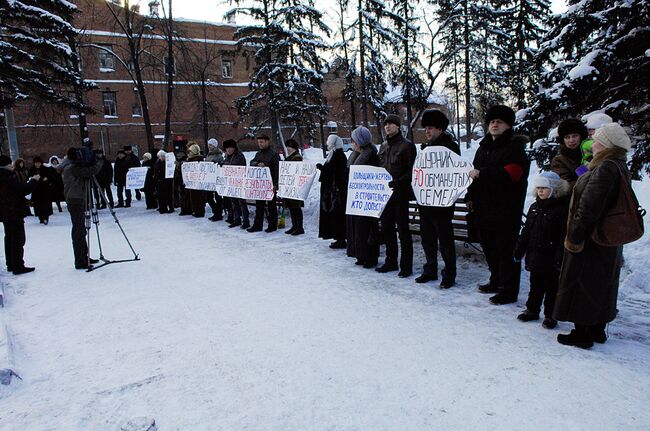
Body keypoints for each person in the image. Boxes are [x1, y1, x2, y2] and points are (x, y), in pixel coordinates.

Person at [554, 123, 633, 349]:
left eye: (597, 139)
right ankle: (597, 328)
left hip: (591, 236)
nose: (592, 142)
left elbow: (589, 207)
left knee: (584, 282)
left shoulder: (605, 167)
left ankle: (583, 333)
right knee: (601, 283)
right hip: (606, 236)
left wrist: (575, 235)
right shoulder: (615, 164)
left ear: (606, 144)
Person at [466, 105, 531, 305]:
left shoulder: (514, 148)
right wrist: (470, 195)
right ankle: (496, 280)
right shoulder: (483, 148)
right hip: (484, 208)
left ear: (508, 125)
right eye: (492, 121)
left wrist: (483, 174)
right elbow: (475, 175)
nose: (494, 124)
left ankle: (509, 290)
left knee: (506, 251)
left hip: (505, 210)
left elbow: (512, 174)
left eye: (499, 122)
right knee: (490, 248)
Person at [514, 171, 570, 329]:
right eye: (538, 188)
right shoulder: (534, 207)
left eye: (544, 188)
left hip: (551, 257)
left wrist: (560, 257)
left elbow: (562, 236)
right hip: (535, 255)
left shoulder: (561, 209)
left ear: (554, 189)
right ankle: (532, 309)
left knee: (552, 288)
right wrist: (519, 250)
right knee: (535, 285)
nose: (540, 191)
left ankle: (551, 315)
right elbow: (526, 233)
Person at [415, 109, 460, 288]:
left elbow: (454, 174)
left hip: (442, 204)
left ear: (440, 129)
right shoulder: (427, 148)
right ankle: (430, 269)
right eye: (426, 127)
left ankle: (449, 274)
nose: (427, 131)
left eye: (431, 128)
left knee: (445, 241)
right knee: (428, 239)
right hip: (426, 203)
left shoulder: (450, 147)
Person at [377, 114, 416, 277]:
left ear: (398, 126)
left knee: (403, 231)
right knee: (387, 229)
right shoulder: (384, 145)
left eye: (391, 124)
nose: (388, 127)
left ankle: (406, 266)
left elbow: (413, 171)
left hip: (400, 195)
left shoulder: (407, 146)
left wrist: (398, 182)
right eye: (386, 124)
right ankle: (391, 261)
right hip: (385, 195)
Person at [58, 147, 103, 270]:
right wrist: (99, 161)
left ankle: (84, 256)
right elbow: (92, 170)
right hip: (75, 199)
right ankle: (80, 260)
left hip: (76, 198)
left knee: (80, 229)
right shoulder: (72, 168)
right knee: (79, 230)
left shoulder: (69, 166)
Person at [0, 155, 40, 275]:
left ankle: (11, 264)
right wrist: (34, 181)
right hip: (14, 211)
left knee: (9, 237)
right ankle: (18, 265)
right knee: (18, 238)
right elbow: (22, 190)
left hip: (4, 211)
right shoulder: (8, 176)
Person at [348, 126, 380, 268]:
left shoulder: (370, 155)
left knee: (367, 229)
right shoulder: (358, 155)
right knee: (358, 229)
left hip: (367, 199)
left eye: (353, 140)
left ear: (359, 142)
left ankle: (370, 256)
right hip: (358, 198)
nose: (352, 143)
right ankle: (360, 254)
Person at [317, 134, 348, 249]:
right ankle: (338, 238)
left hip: (335, 192)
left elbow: (337, 173)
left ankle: (341, 238)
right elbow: (331, 171)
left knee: (337, 216)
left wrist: (336, 187)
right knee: (334, 216)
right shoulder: (333, 154)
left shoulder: (339, 155)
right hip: (332, 190)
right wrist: (323, 169)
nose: (327, 144)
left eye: (329, 142)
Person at [248, 135, 280, 233]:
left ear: (267, 142)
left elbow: (277, 170)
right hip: (260, 185)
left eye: (262, 142)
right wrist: (257, 164)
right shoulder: (258, 154)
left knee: (271, 206)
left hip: (270, 184)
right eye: (259, 142)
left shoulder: (274, 155)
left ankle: (272, 225)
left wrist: (275, 184)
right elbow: (251, 162)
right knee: (259, 206)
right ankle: (257, 225)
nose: (260, 144)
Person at [551, 119, 589, 188]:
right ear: (563, 140)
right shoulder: (559, 161)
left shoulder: (591, 152)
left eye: (574, 136)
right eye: (567, 137)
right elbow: (565, 185)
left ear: (581, 136)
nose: (571, 140)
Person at [222, 139, 250, 229]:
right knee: (234, 202)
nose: (229, 150)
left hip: (240, 183)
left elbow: (235, 166)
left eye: (230, 148)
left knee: (242, 203)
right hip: (231, 183)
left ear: (234, 148)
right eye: (227, 148)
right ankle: (236, 219)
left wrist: (226, 165)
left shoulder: (239, 156)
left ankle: (246, 221)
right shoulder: (228, 157)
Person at [283, 139, 304, 235]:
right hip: (290, 185)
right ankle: (294, 226)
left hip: (296, 186)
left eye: (289, 147)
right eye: (287, 147)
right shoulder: (290, 157)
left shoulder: (296, 157)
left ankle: (299, 227)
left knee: (296, 207)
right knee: (292, 207)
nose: (288, 149)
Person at [27, 156, 54, 224]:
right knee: (38, 204)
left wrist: (47, 178)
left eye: (38, 163)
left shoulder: (45, 169)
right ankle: (40, 217)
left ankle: (45, 217)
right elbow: (29, 177)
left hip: (45, 189)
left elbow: (51, 177)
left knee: (45, 204)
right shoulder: (32, 169)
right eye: (36, 163)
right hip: (36, 190)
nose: (37, 164)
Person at [205, 138, 225, 222]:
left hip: (217, 179)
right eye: (208, 144)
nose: (209, 146)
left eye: (211, 145)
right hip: (209, 179)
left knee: (218, 197)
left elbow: (221, 166)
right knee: (208, 197)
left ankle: (218, 213)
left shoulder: (219, 155)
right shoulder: (208, 155)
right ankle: (216, 211)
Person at [186, 143, 207, 217]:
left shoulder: (196, 160)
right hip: (193, 182)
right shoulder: (191, 160)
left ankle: (199, 211)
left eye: (190, 152)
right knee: (194, 197)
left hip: (197, 182)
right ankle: (196, 210)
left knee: (197, 197)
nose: (188, 154)